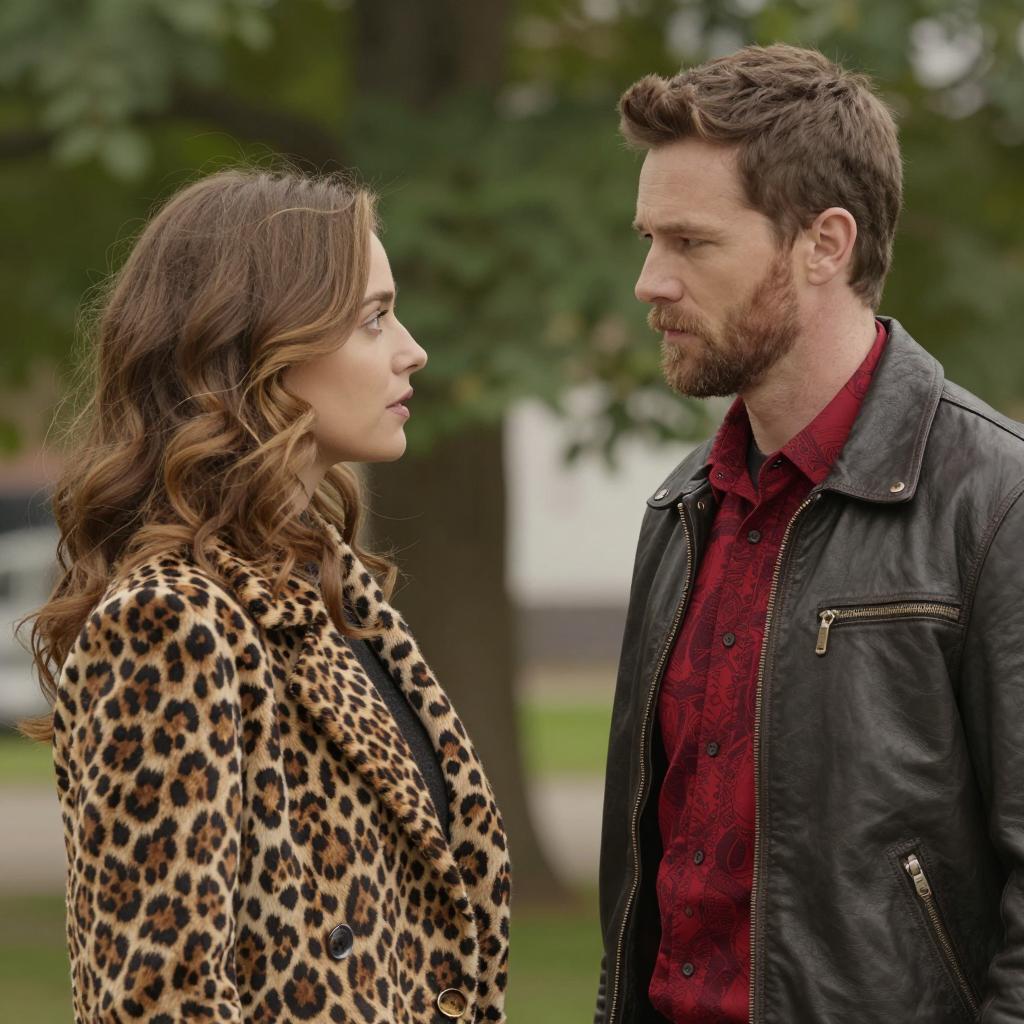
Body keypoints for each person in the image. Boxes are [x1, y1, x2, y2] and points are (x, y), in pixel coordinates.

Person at [594, 44, 1024, 1023]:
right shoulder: (680, 509)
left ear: (824, 244)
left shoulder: (995, 504)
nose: (650, 282)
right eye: (648, 239)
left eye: (691, 243)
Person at [22, 168, 510, 1023]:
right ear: (256, 347)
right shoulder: (171, 621)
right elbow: (159, 1002)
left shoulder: (331, 596)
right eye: (373, 319)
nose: (413, 351)